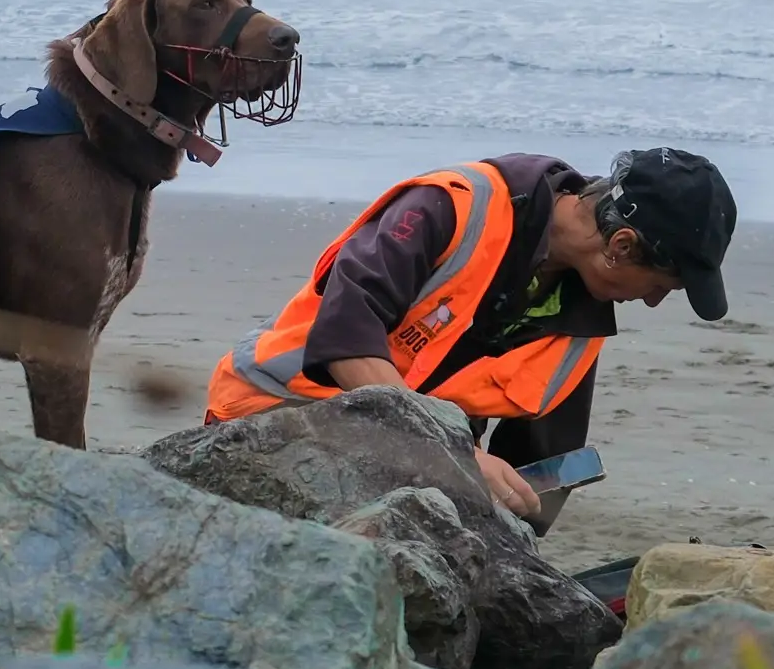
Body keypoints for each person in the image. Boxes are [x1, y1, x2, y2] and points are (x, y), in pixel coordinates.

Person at [205, 148, 737, 520]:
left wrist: (514, 548)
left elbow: (535, 470)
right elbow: (347, 331)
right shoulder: (451, 207)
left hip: (404, 465)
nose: (651, 301)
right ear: (620, 245)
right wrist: (450, 454)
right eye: (660, 285)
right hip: (270, 420)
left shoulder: (581, 322)